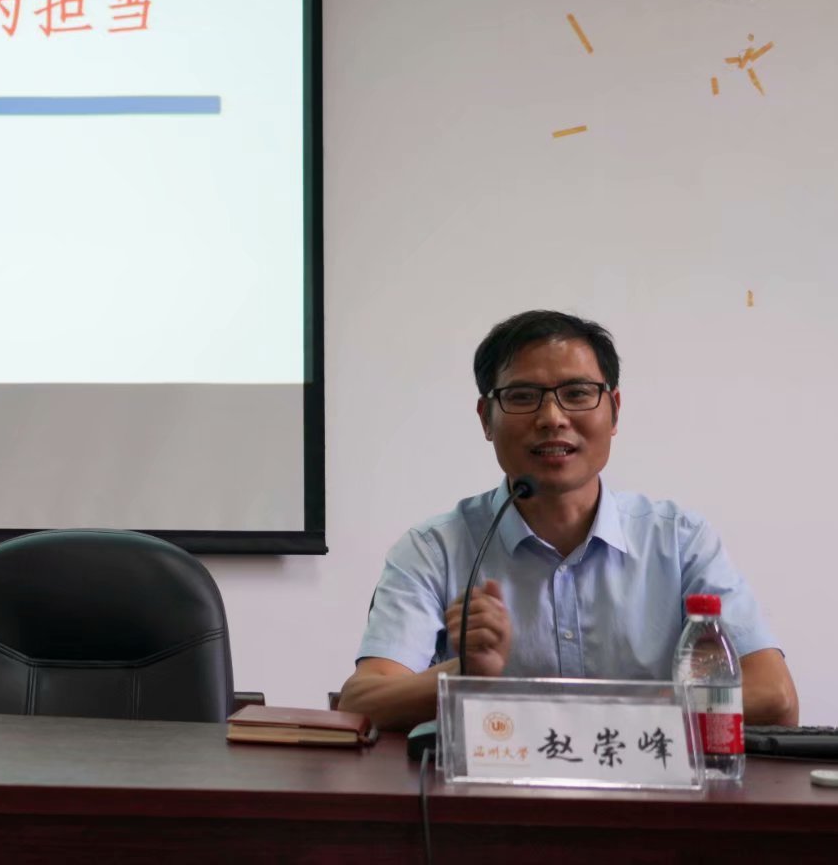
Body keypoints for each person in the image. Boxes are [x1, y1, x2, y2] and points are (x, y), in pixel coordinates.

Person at [339, 310, 799, 732]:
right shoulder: (434, 549)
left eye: (577, 394)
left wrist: (600, 715)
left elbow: (774, 697)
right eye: (523, 397)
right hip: (490, 795)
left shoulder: (679, 541)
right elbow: (362, 701)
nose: (552, 418)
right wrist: (464, 674)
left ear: (614, 410)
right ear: (486, 419)